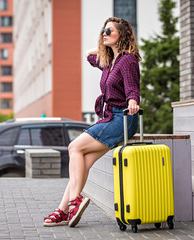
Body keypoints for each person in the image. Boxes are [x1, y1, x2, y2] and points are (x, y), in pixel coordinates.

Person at [43, 17, 141, 228]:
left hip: (122, 117)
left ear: (121, 35)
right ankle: (63, 211)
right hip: (111, 117)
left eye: (109, 31)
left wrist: (133, 100)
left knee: (74, 147)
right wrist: (104, 47)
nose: (103, 33)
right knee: (82, 164)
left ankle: (74, 202)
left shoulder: (127, 60)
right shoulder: (109, 62)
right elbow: (89, 54)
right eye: (103, 30)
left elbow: (133, 87)